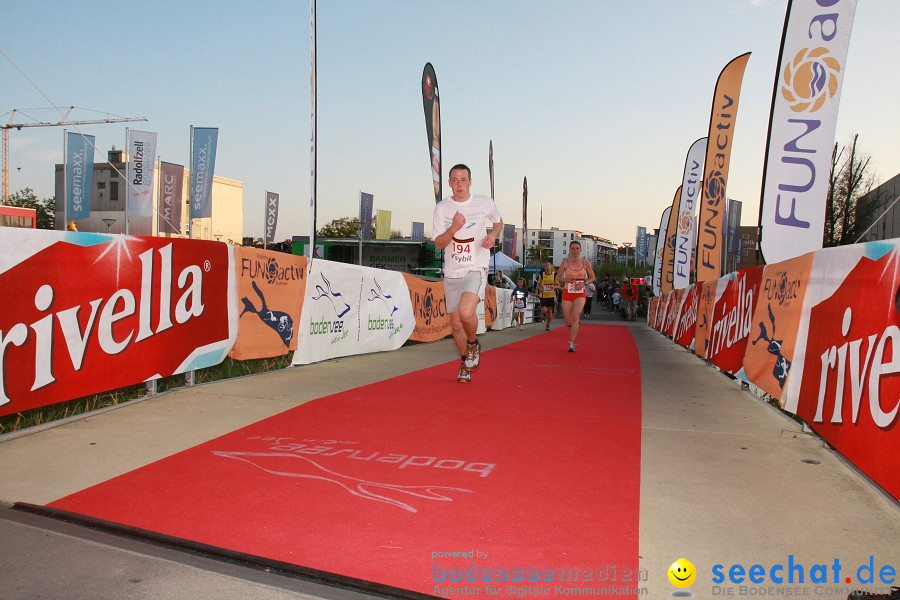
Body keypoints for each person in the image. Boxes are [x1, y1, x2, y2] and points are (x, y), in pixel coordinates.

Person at [432, 164, 503, 383]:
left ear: (470, 181)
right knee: (455, 324)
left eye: (463, 179)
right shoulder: (443, 208)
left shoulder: (484, 202)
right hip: (453, 271)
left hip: (476, 266)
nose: (459, 184)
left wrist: (493, 236)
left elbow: (499, 222)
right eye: (454, 180)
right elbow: (438, 244)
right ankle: (465, 362)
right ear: (449, 183)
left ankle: (473, 344)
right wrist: (452, 229)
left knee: (465, 312)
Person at [556, 240, 596, 352]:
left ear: (580, 250)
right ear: (569, 250)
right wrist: (566, 280)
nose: (575, 250)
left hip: (580, 292)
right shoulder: (565, 263)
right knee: (568, 321)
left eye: (577, 248)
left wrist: (584, 283)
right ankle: (575, 327)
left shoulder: (585, 263)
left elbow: (592, 277)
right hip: (567, 291)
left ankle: (572, 343)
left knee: (575, 316)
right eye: (573, 248)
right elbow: (558, 277)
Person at [535, 261, 558, 331]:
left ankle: (548, 325)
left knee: (550, 312)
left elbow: (557, 285)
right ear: (544, 268)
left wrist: (554, 287)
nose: (547, 267)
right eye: (546, 266)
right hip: (543, 296)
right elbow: (538, 284)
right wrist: (540, 288)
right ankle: (544, 315)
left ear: (551, 267)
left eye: (548, 265)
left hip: (551, 296)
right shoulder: (541, 275)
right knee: (544, 310)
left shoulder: (554, 275)